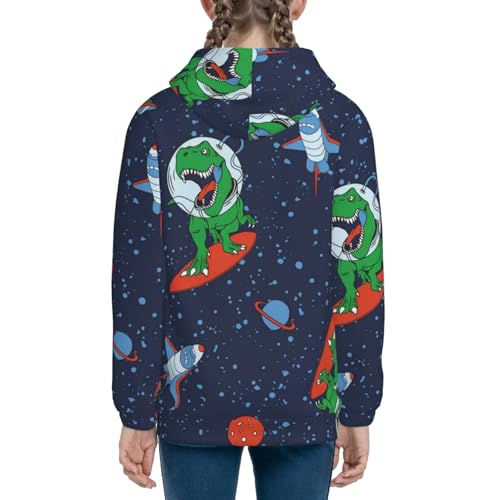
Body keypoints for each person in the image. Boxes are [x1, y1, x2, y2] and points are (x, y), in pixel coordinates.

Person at [111, 1, 385, 498]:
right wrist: (357, 404)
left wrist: (136, 408)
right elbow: (360, 267)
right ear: (297, 4)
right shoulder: (343, 121)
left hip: (192, 403)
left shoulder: (156, 120)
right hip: (307, 399)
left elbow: (137, 277)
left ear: (208, 3)